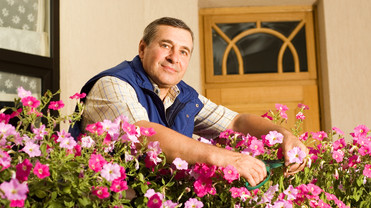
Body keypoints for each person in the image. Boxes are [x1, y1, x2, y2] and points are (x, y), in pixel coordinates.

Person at [74, 17, 308, 187]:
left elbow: (236, 122)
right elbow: (143, 133)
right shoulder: (113, 84)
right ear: (143, 48)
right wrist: (228, 158)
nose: (174, 57)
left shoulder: (183, 95)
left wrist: (285, 134)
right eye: (166, 45)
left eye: (184, 51)